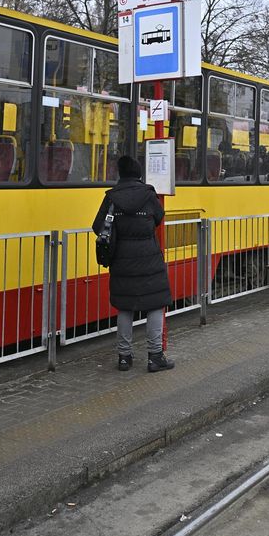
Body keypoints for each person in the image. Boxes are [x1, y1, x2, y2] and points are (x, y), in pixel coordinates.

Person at [92, 154, 175, 373]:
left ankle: (124, 357)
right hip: (149, 258)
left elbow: (97, 225)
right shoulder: (148, 195)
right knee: (156, 304)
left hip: (122, 259)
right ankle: (155, 356)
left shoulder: (111, 197)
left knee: (124, 307)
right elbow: (159, 217)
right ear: (139, 173)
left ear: (120, 173)